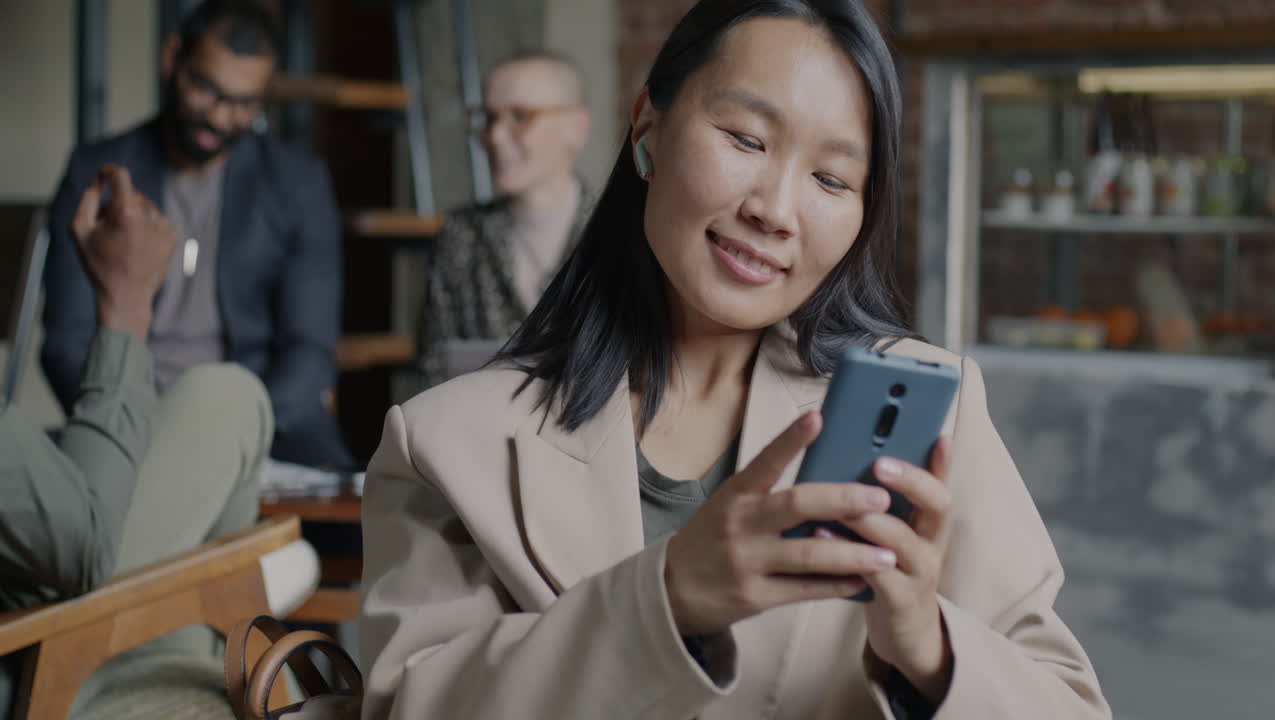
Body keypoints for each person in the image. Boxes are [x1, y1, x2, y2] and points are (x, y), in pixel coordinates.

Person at [359, 1, 1111, 718]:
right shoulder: (446, 443)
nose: (775, 211)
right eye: (747, 139)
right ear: (648, 124)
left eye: (831, 180)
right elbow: (412, 708)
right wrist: (670, 600)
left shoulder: (930, 413)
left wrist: (927, 648)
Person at [0, 167, 272, 718]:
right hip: (24, 659)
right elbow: (84, 545)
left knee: (223, 394)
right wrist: (125, 303)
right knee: (230, 397)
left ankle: (164, 661)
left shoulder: (285, 180)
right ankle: (163, 676)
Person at [42, 0, 351, 468]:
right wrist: (140, 430)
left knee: (357, 525)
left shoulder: (297, 183)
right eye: (207, 89)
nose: (221, 117)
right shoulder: (96, 172)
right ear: (172, 59)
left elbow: (310, 350)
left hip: (259, 424)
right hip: (127, 423)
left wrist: (232, 434)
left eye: (245, 103)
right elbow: (67, 344)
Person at [414, 50, 593, 388]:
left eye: (520, 116)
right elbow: (433, 367)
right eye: (488, 118)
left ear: (577, 128)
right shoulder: (460, 233)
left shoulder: (619, 234)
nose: (494, 136)